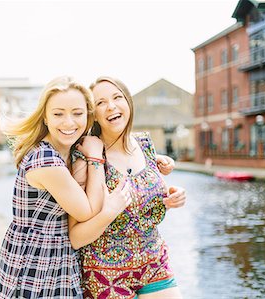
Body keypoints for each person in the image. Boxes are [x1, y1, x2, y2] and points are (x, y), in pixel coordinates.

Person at [0, 75, 129, 298]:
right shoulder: (45, 160)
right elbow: (87, 211)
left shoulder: (69, 152)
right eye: (58, 114)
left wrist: (159, 161)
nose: (69, 123)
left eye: (77, 113)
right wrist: (95, 159)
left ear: (88, 116)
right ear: (45, 118)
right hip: (35, 268)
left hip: (59, 261)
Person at [69, 76, 185, 299]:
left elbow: (143, 203)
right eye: (100, 102)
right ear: (93, 114)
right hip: (106, 276)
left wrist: (170, 198)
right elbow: (76, 237)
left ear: (128, 102)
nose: (111, 106)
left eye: (116, 97)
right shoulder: (86, 155)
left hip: (154, 264)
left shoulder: (145, 145)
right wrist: (109, 212)